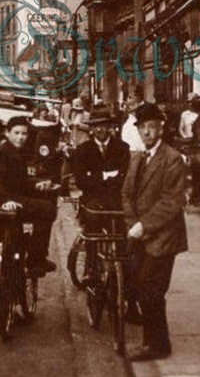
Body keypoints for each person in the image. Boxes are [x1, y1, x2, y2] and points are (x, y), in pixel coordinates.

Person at [121, 104, 188, 362]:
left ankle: (157, 344)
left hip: (164, 237)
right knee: (140, 285)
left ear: (161, 128)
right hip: (140, 233)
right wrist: (132, 223)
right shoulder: (137, 156)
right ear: (137, 130)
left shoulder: (172, 159)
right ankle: (154, 341)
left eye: (152, 127)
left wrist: (143, 226)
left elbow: (172, 202)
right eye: (143, 127)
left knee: (151, 287)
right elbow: (126, 193)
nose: (147, 132)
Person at [0, 115, 59, 277]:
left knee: (13, 248)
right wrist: (7, 201)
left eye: (24, 134)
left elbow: (18, 182)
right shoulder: (1, 153)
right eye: (17, 133)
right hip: (2, 204)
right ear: (7, 133)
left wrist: (37, 184)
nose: (21, 137)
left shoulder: (13, 151)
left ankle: (25, 262)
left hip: (10, 200)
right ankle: (36, 259)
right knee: (48, 209)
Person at [71, 105, 130, 220]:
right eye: (95, 126)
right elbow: (80, 182)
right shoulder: (83, 150)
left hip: (118, 199)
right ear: (91, 128)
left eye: (102, 125)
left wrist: (94, 177)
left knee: (124, 225)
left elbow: (125, 177)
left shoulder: (122, 148)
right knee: (94, 225)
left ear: (109, 126)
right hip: (92, 201)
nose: (99, 129)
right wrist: (105, 175)